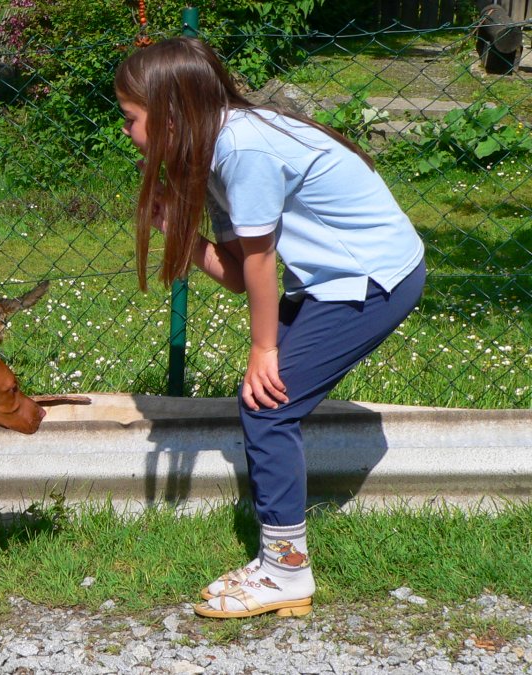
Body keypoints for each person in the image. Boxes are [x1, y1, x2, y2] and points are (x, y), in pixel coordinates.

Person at [114, 37, 426, 618]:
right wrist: (175, 230)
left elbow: (260, 262)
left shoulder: (241, 149)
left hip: (373, 278)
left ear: (172, 113)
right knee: (265, 400)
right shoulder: (214, 150)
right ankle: (281, 560)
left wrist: (265, 347)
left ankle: (285, 572)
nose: (127, 131)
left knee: (267, 403)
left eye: (131, 118)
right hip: (339, 278)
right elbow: (235, 273)